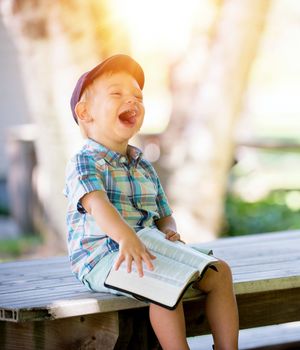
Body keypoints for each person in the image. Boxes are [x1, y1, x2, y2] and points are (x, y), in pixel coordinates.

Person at [64, 54, 239, 350]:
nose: (131, 101)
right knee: (164, 284)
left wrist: (169, 230)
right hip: (104, 256)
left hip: (148, 245)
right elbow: (98, 205)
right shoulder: (85, 161)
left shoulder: (141, 162)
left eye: (138, 96)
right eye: (117, 93)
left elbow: (163, 212)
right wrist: (126, 237)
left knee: (219, 272)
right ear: (85, 112)